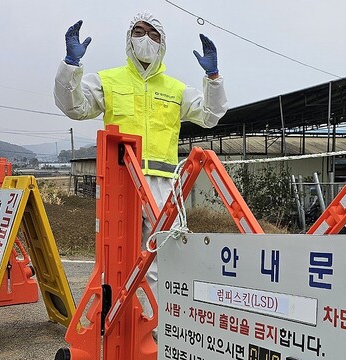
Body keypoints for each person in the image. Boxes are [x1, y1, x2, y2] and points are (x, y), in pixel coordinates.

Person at [54, 11, 228, 317]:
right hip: (121, 182)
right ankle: (119, 320)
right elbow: (74, 107)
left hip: (162, 186)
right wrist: (71, 65)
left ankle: (159, 329)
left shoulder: (175, 89)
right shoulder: (108, 80)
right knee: (117, 257)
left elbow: (210, 116)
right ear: (128, 39)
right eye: (138, 31)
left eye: (152, 34)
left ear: (162, 44)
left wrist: (213, 79)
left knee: (163, 257)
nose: (144, 38)